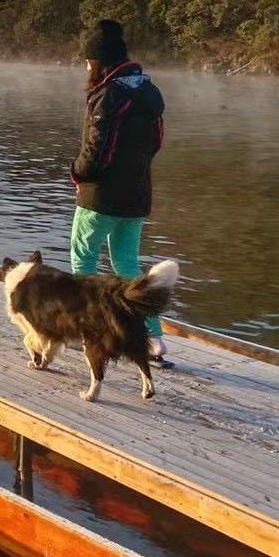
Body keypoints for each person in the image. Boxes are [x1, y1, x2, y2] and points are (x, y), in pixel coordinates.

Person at [70, 20, 170, 362]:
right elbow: (156, 143)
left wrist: (77, 173)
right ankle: (154, 338)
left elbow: (98, 151)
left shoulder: (108, 93)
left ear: (99, 60)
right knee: (127, 264)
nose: (86, 66)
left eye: (88, 60)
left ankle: (88, 329)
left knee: (83, 258)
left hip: (101, 195)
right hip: (137, 193)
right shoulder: (147, 91)